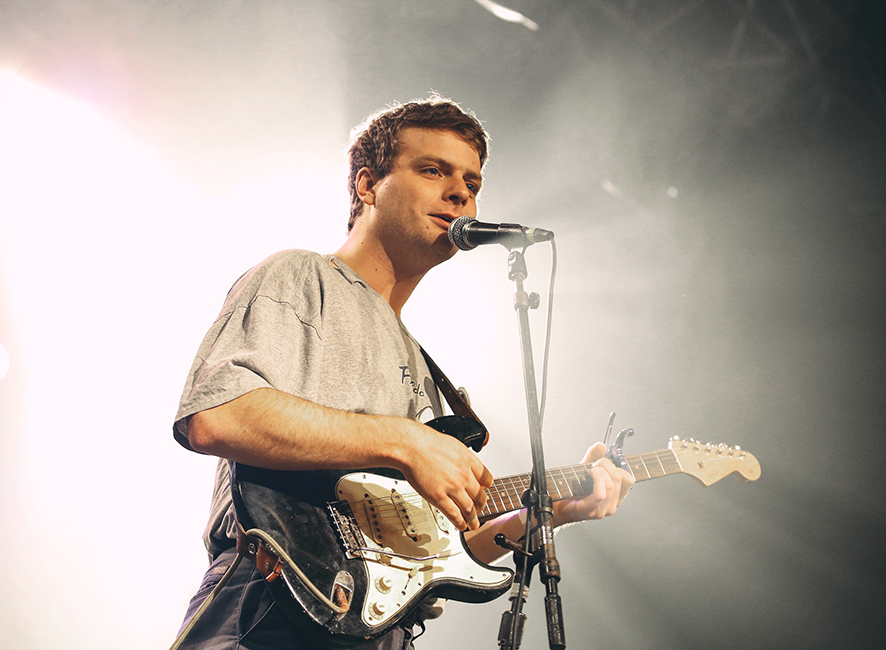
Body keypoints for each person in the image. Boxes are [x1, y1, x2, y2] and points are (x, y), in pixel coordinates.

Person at [170, 96, 635, 650]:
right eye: (433, 170)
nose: (461, 192)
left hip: (379, 632)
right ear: (367, 185)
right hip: (270, 608)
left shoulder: (423, 367)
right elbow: (218, 415)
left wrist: (547, 515)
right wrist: (405, 441)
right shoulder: (301, 276)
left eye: (473, 182)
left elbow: (440, 551)